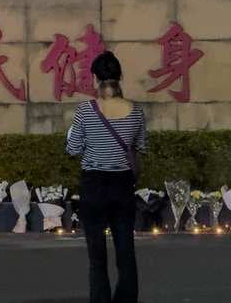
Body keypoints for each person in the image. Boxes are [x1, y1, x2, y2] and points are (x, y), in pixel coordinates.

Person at [66, 50, 146, 303]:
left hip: (94, 186)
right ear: (120, 76)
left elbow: (73, 149)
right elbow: (140, 147)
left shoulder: (85, 111)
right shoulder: (135, 111)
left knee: (96, 255)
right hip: (123, 185)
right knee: (126, 250)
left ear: (94, 78)